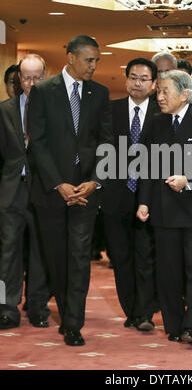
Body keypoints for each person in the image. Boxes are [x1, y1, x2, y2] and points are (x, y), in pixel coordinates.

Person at [27, 35, 112, 346]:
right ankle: (65, 312)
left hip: (86, 191)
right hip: (52, 192)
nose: (93, 66)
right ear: (71, 57)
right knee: (57, 259)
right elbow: (38, 142)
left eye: (96, 61)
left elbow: (106, 142)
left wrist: (95, 181)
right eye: (89, 60)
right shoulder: (43, 91)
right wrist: (58, 183)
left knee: (78, 258)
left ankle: (74, 323)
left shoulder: (99, 93)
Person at [137, 70, 192, 345]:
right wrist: (143, 200)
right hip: (163, 209)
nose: (159, 96)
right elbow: (147, 166)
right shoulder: (155, 123)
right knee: (168, 271)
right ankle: (174, 326)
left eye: (165, 91)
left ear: (184, 95)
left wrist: (189, 179)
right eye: (159, 91)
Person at [101, 58, 159, 331]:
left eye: (144, 78)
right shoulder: (109, 111)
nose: (138, 83)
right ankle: (131, 310)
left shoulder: (162, 114)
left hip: (150, 198)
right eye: (133, 77)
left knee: (146, 257)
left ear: (154, 83)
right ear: (126, 80)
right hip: (116, 197)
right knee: (121, 258)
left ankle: (145, 312)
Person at [0, 54, 50, 330]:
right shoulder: (4, 110)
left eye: (37, 77)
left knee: (41, 249)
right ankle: (7, 306)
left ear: (45, 77)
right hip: (11, 190)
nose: (31, 83)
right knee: (8, 250)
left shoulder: (55, 110)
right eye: (26, 77)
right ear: (19, 78)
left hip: (42, 190)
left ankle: (37, 305)